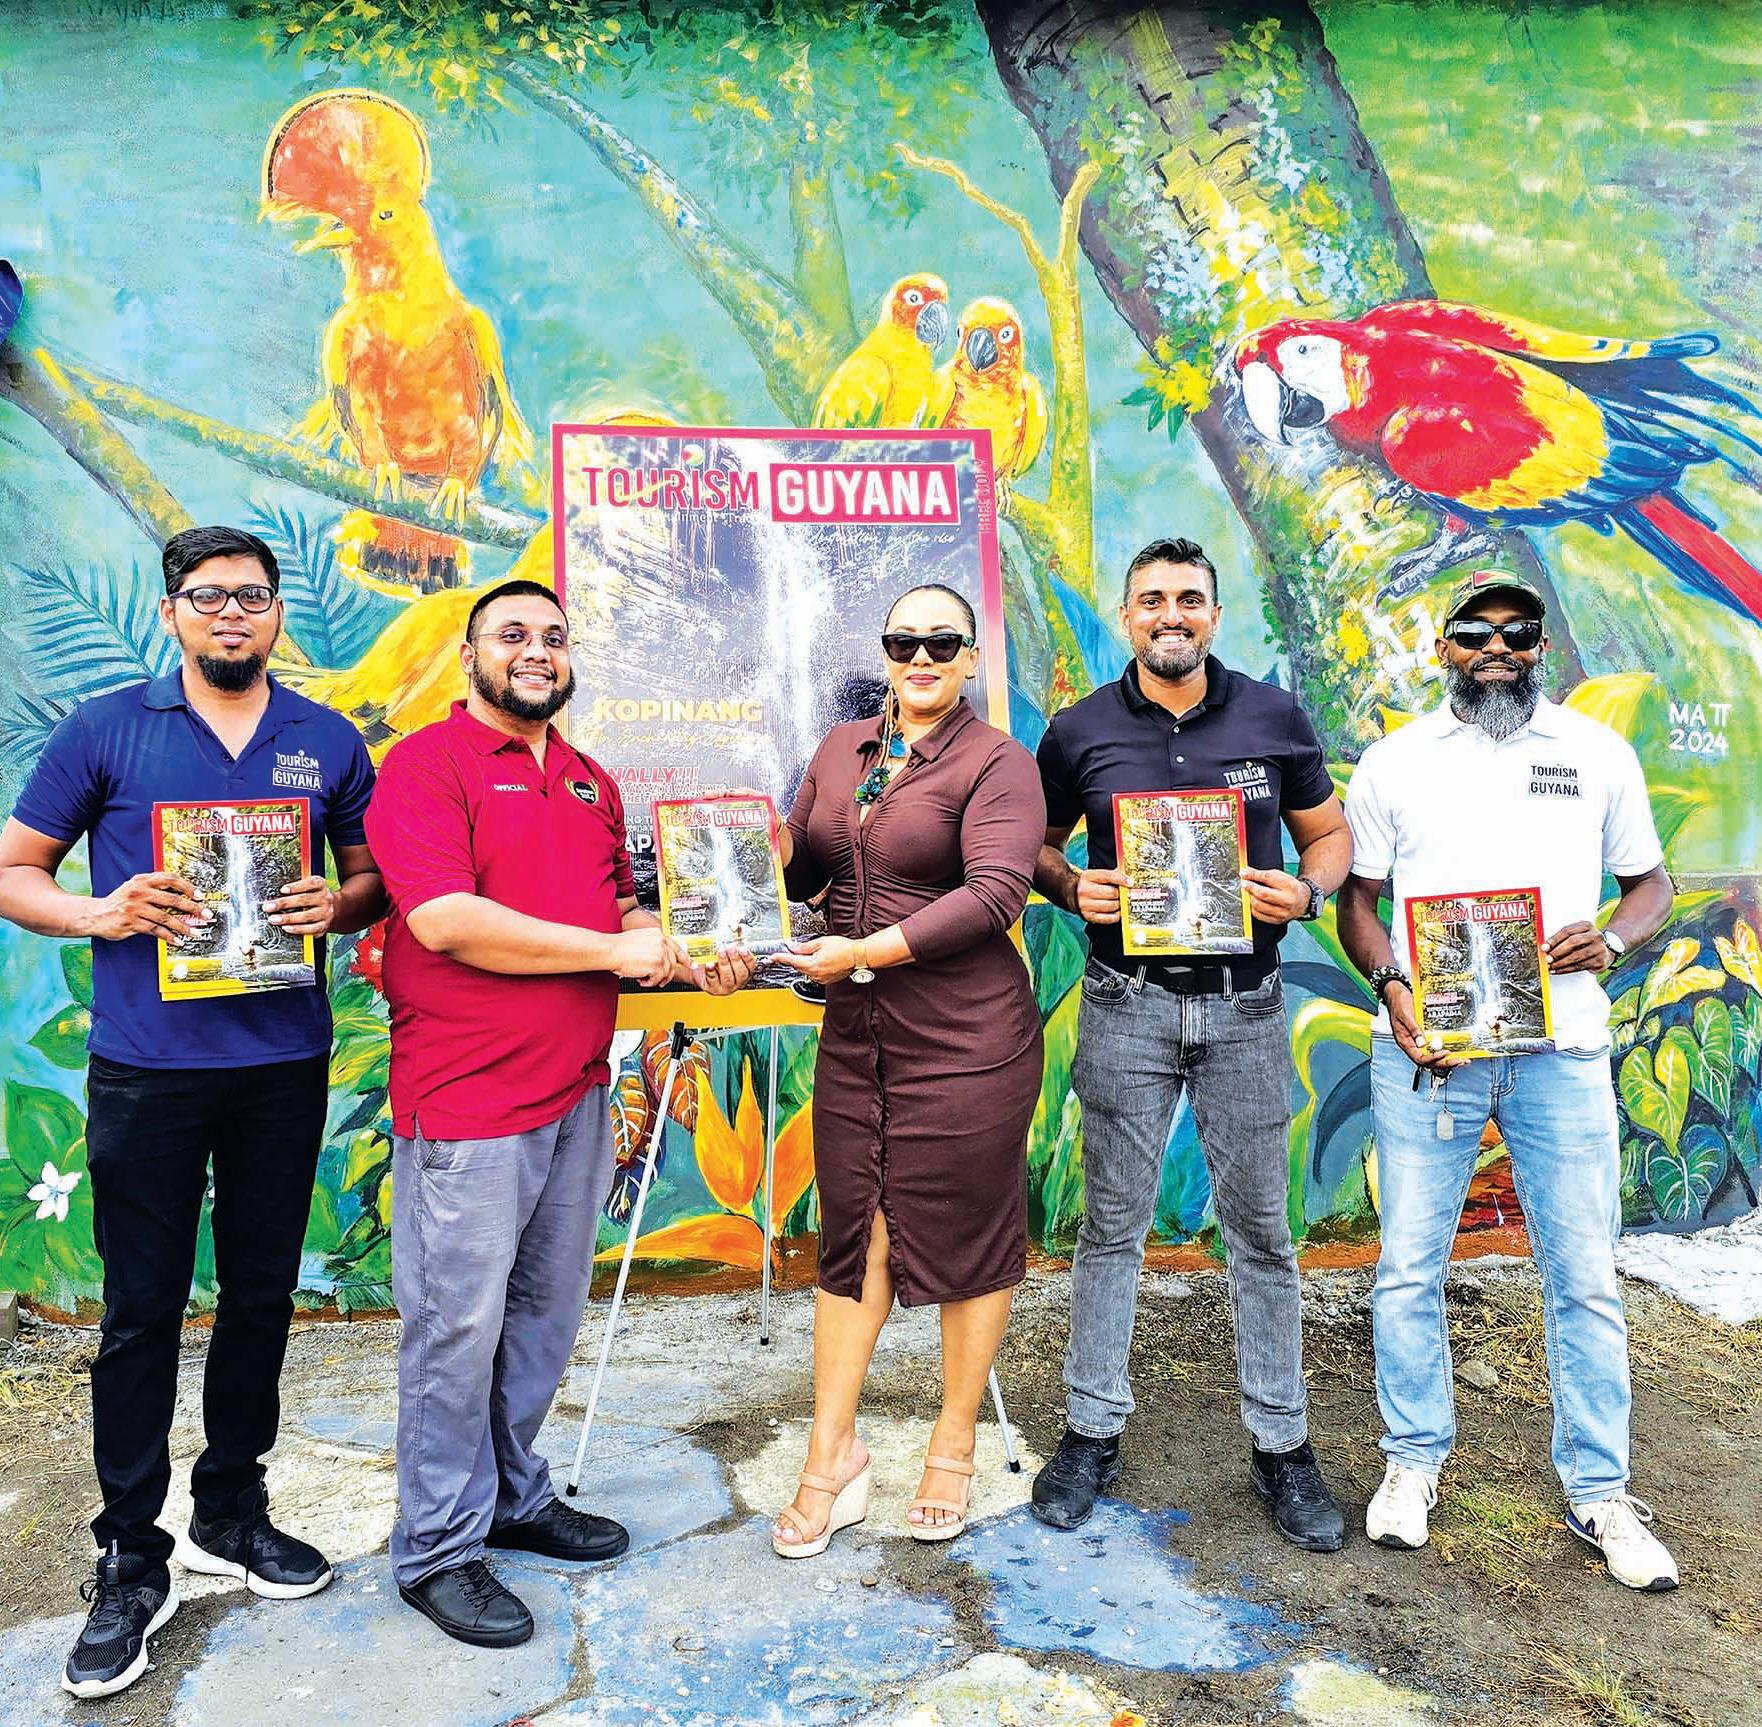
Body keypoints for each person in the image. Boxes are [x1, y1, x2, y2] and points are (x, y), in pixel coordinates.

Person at [0, 525, 383, 1700]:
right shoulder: (105, 728)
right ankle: (131, 1551)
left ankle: (231, 1506)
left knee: (262, 1293)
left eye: (252, 596)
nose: (231, 614)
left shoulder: (324, 740)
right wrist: (100, 912)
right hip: (147, 1068)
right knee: (141, 1311)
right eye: (208, 596)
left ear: (278, 614)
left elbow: (372, 877)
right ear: (172, 610)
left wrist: (338, 905)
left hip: (281, 1062)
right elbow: (15, 871)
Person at [364, 578, 751, 1648]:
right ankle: (437, 1547)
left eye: (553, 636)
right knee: (456, 1329)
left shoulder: (589, 779)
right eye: (512, 635)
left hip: (576, 1089)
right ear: (470, 656)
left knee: (542, 1317)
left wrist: (690, 944)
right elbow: (444, 919)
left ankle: (511, 1494)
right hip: (467, 1098)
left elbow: (617, 908)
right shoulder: (425, 766)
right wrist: (615, 948)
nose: (535, 650)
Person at [1338, 569, 1678, 1590]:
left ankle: (1601, 1490)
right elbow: (1358, 902)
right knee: (1408, 1267)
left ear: (1540, 647)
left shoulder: (1595, 752)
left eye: (1517, 630)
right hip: (1429, 1053)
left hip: (1561, 1053)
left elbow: (1650, 885)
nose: (1496, 646)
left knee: (1584, 1275)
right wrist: (1393, 984)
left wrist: (1612, 940)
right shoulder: (1395, 761)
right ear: (1442, 645)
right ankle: (1411, 1461)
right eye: (1475, 630)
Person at [1029, 537, 1353, 1550]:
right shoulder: (1078, 730)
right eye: (1152, 599)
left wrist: (1309, 892)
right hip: (1127, 1003)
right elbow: (1036, 847)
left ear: (1214, 613)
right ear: (1128, 614)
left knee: (1261, 1234)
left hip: (1246, 1008)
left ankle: (1281, 1445)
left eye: (1190, 599)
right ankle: (1090, 1431)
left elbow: (1329, 835)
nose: (1171, 614)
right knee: (1111, 1229)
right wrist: (1068, 884)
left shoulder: (1273, 716)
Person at [767, 583, 1045, 1555]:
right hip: (858, 1034)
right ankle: (832, 1456)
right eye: (902, 640)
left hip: (968, 1038)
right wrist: (768, 847)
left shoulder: (998, 761)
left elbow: (996, 893)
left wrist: (866, 951)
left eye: (941, 641)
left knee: (970, 1229)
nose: (920, 656)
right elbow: (807, 875)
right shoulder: (841, 749)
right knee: (854, 1234)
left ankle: (952, 1441)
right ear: (883, 651)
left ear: (969, 656)